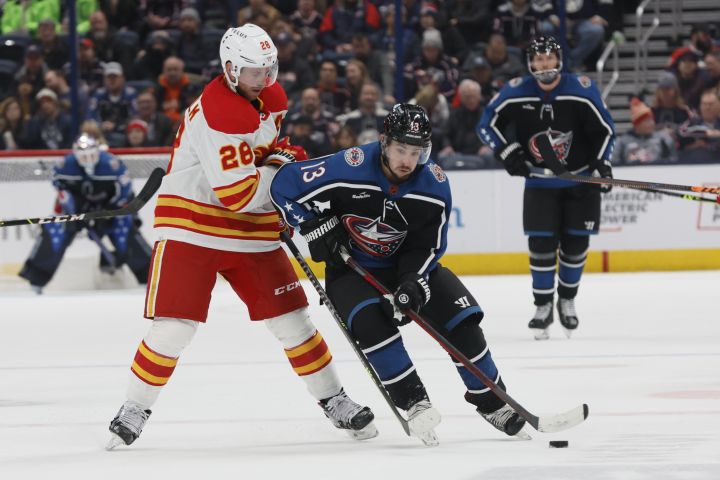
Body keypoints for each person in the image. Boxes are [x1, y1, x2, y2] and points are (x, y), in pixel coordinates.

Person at [106, 23, 377, 450]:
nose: (265, 81)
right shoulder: (219, 113)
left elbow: (265, 151)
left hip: (250, 231)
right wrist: (285, 171)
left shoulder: (267, 98)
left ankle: (335, 399)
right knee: (173, 329)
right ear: (230, 69)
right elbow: (241, 194)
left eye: (270, 71)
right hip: (192, 226)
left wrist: (279, 159)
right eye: (255, 73)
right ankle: (134, 407)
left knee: (293, 323)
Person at [270, 103, 529, 447]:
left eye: (416, 152)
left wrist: (412, 280)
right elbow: (283, 185)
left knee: (462, 320)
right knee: (371, 324)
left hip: (406, 267)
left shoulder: (434, 186)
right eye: (400, 149)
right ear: (383, 142)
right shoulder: (350, 166)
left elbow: (431, 246)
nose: (408, 160)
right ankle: (414, 401)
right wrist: (312, 224)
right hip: (351, 270)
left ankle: (492, 401)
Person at [476, 35, 615, 340]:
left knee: (576, 246)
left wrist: (602, 164)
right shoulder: (515, 91)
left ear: (559, 59)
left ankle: (566, 300)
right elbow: (486, 124)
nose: (544, 64)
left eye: (548, 57)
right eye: (538, 59)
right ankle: (542, 306)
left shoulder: (582, 89)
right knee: (540, 247)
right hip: (539, 182)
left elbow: (606, 131)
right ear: (530, 63)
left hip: (580, 180)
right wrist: (507, 151)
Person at [18, 134, 152, 293]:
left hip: (110, 206)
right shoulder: (64, 165)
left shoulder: (112, 164)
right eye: (83, 156)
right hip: (78, 207)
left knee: (124, 228)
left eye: (91, 155)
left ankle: (148, 276)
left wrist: (109, 212)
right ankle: (36, 279)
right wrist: (73, 211)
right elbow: (60, 189)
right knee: (55, 230)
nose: (88, 159)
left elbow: (125, 191)